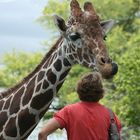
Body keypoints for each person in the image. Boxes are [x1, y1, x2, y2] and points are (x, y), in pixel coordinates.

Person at [38, 72, 121, 140]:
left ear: (79, 91)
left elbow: (42, 134)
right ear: (101, 93)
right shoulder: (110, 115)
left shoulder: (69, 111)